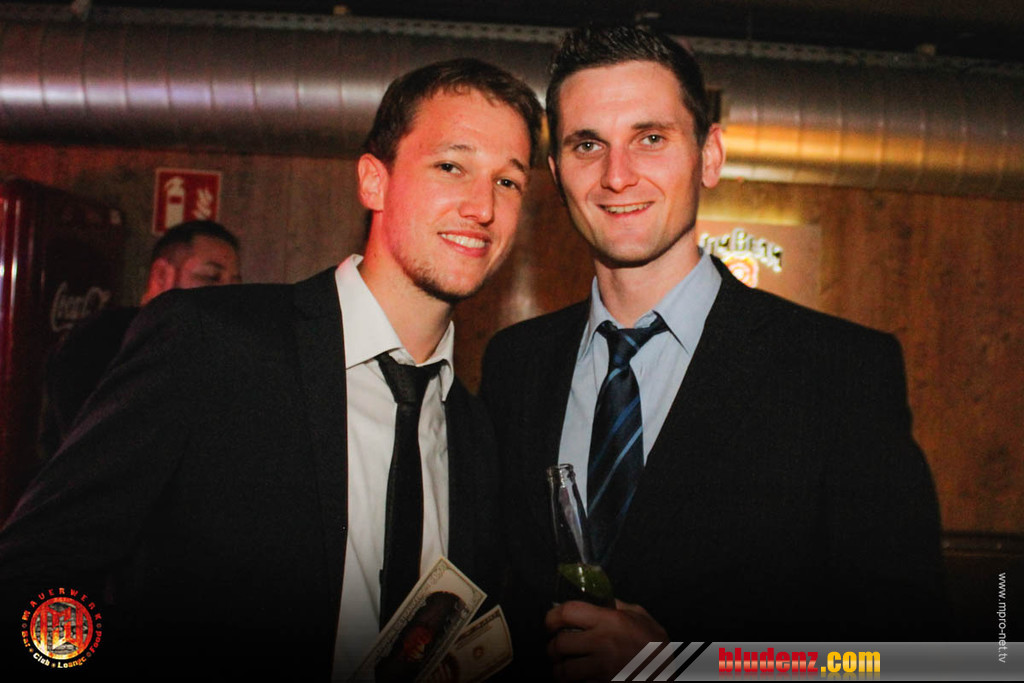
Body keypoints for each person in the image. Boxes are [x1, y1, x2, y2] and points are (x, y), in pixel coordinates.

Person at [1, 57, 542, 680]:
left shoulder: (475, 434)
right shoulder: (211, 344)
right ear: (374, 182)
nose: (483, 206)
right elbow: (29, 577)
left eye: (508, 181)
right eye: (451, 165)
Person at [479, 25, 947, 681]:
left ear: (709, 156)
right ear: (556, 174)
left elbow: (910, 656)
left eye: (650, 138)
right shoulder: (515, 365)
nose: (617, 175)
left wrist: (690, 665)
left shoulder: (841, 373)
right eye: (588, 144)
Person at [39, 220, 241, 459]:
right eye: (211, 277)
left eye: (235, 284)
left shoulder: (216, 347)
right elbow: (88, 444)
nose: (228, 294)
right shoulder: (103, 335)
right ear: (162, 275)